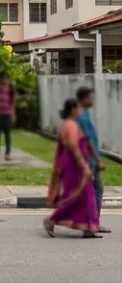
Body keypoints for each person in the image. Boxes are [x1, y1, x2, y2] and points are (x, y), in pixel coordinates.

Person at [44, 98, 101, 238]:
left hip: (74, 165)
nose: (79, 111)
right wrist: (85, 167)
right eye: (77, 109)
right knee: (74, 197)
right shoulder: (70, 125)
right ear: (73, 110)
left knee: (86, 196)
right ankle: (51, 220)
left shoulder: (71, 124)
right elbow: (74, 148)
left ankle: (88, 228)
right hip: (73, 167)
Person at [75, 86, 110, 234]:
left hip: (89, 160)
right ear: (83, 99)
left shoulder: (83, 114)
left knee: (92, 191)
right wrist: (97, 160)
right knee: (93, 191)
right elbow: (87, 140)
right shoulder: (82, 116)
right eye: (90, 97)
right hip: (88, 161)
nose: (93, 100)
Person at [0, 73, 16, 160]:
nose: (5, 80)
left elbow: (13, 104)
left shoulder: (10, 89)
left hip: (7, 114)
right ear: (0, 80)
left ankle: (7, 154)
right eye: (3, 79)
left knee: (7, 135)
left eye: (6, 79)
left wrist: (13, 115)